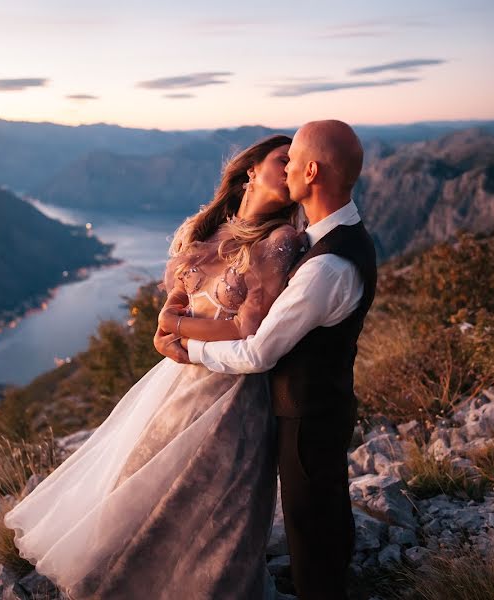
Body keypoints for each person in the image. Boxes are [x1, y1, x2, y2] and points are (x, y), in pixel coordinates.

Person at [4, 134, 306, 599]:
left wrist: (178, 330)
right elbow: (172, 308)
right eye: (282, 160)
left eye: (296, 165)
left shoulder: (280, 239)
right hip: (176, 383)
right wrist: (170, 327)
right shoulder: (204, 230)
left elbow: (248, 327)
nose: (290, 171)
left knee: (211, 503)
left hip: (231, 394)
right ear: (251, 169)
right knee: (140, 488)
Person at [165, 119, 378, 600]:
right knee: (316, 512)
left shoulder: (323, 262)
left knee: (308, 519)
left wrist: (180, 342)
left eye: (293, 160)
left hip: (304, 409)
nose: (288, 172)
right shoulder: (333, 243)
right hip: (311, 403)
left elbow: (256, 348)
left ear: (311, 171)